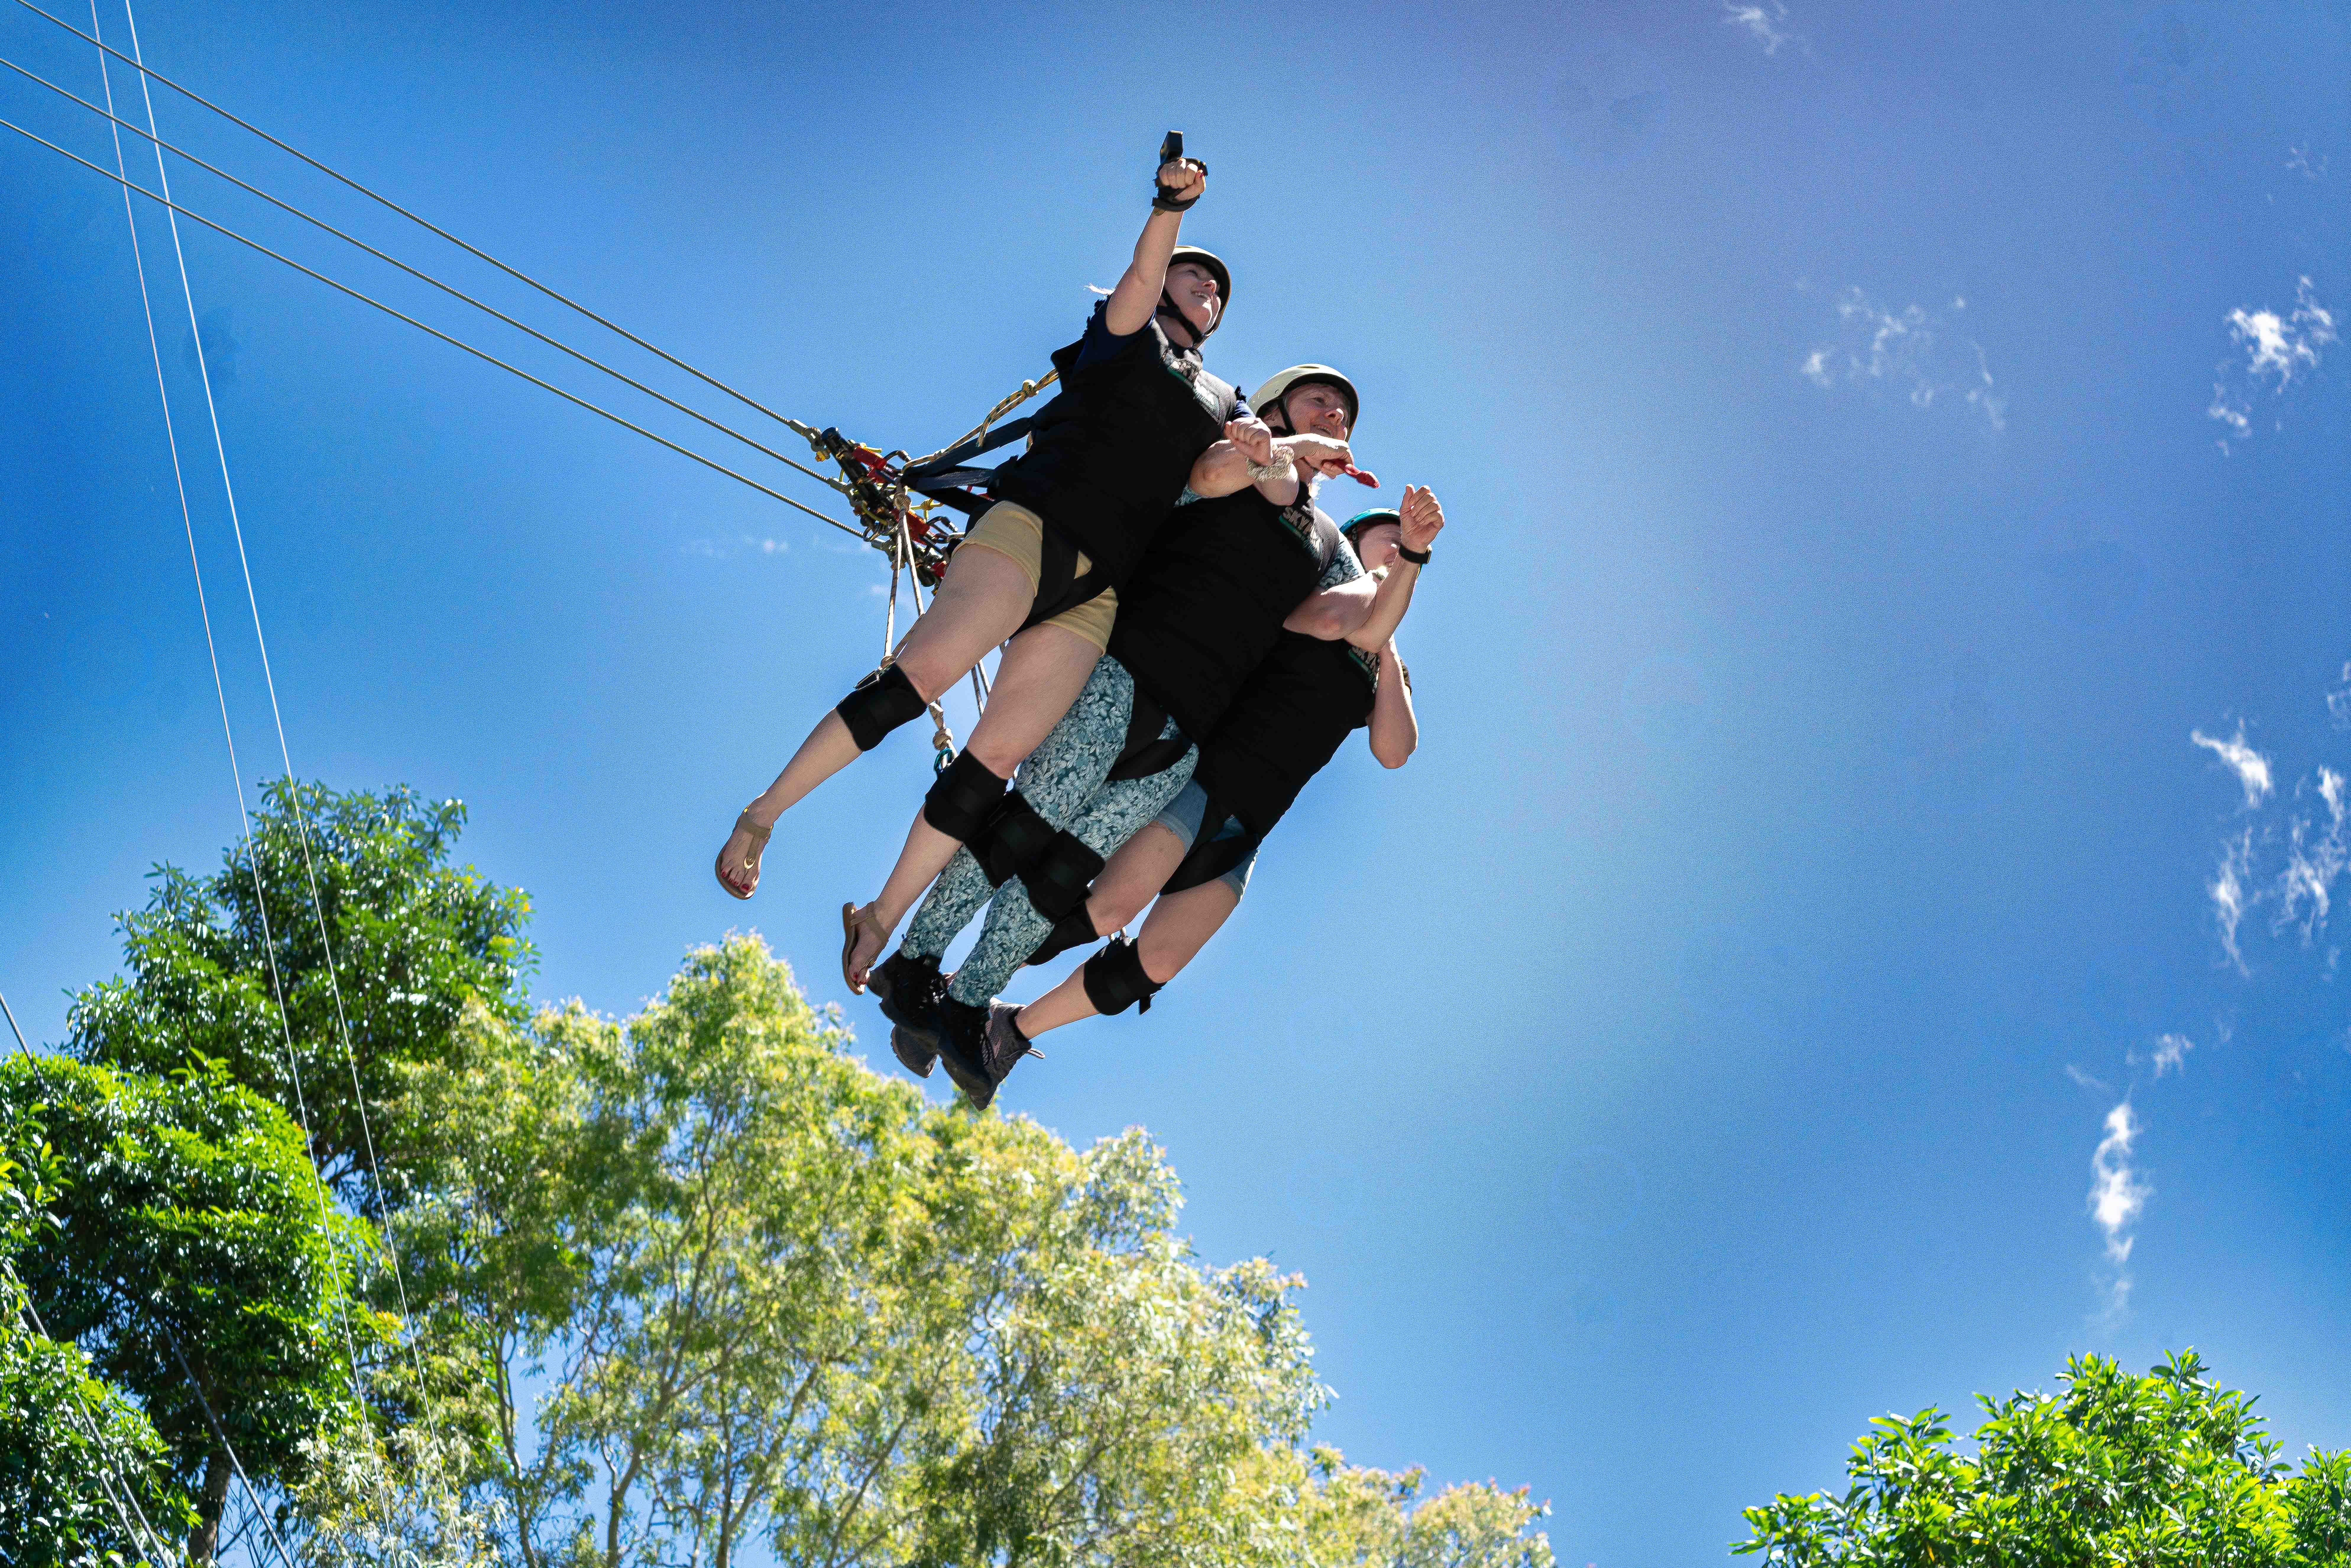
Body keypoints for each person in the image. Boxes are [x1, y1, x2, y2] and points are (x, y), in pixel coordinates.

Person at [714, 145, 1239, 934]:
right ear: (1165, 277)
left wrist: (1286, 454)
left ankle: (884, 915)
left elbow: (1209, 478)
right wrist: (1170, 212)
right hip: (1035, 525)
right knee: (917, 678)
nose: (1211, 291)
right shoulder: (1123, 333)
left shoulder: (1224, 399)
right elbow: (1137, 282)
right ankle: (764, 813)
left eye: (1221, 292)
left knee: (992, 765)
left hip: (1099, 585)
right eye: (1197, 274)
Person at [843, 366, 1371, 999]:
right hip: (1125, 668)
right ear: (1278, 406)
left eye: (1343, 413)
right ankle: (914, 962)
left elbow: (1356, 609)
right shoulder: (1238, 446)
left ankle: (965, 997)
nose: (1334, 415)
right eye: (1320, 400)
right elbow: (1208, 476)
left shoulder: (1330, 543)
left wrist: (1406, 563)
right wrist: (1286, 450)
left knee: (1066, 873)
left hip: (1191, 724)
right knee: (1024, 825)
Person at [912, 500, 1438, 1105]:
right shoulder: (1326, 591)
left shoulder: (1385, 660)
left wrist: (1390, 647)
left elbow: (1395, 750)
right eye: (1386, 539)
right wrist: (1383, 584)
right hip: (1201, 779)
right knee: (1098, 913)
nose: (1399, 548)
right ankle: (954, 993)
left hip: (1250, 822)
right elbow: (1329, 623)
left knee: (1158, 960)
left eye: (1408, 547)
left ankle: (1007, 1028)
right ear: (1349, 545)